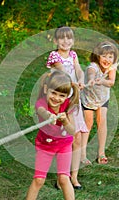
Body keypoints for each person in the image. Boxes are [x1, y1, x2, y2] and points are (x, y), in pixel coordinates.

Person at [26, 70, 80, 200]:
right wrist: (49, 116)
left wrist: (65, 120)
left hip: (64, 145)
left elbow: (72, 131)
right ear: (46, 89)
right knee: (39, 179)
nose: (56, 98)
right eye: (53, 93)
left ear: (67, 96)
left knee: (63, 178)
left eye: (61, 95)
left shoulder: (68, 105)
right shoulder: (41, 103)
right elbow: (41, 111)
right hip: (45, 145)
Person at [46, 26, 88, 189]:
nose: (66, 41)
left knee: (76, 138)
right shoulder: (54, 55)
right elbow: (63, 72)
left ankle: (74, 177)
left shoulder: (73, 55)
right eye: (62, 38)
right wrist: (73, 83)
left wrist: (81, 79)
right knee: (63, 140)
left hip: (74, 99)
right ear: (56, 41)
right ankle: (61, 177)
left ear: (73, 41)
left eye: (69, 38)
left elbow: (77, 69)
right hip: (61, 99)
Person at [80, 41, 119, 164]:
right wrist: (91, 79)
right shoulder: (93, 66)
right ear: (97, 56)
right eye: (104, 56)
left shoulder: (111, 67)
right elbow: (91, 72)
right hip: (89, 98)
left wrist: (102, 81)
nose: (107, 59)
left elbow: (111, 82)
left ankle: (101, 153)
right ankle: (82, 154)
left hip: (102, 98)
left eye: (110, 56)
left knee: (102, 121)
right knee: (88, 123)